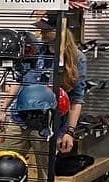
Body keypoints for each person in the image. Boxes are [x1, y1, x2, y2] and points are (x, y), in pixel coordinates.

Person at [35, 12, 88, 153]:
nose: (42, 34)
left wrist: (69, 131)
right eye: (41, 30)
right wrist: (3, 109)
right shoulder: (37, 50)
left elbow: (76, 98)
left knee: (45, 170)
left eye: (46, 30)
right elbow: (20, 80)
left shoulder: (77, 58)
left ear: (60, 30)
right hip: (23, 116)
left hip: (53, 122)